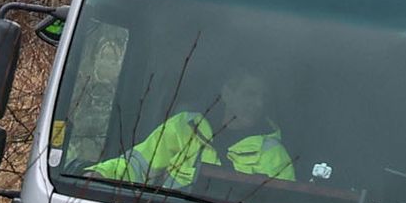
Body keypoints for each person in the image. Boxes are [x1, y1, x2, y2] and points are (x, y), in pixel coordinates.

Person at [106, 71, 292, 190]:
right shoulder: (184, 127)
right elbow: (138, 165)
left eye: (263, 97)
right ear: (227, 93)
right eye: (249, 94)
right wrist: (100, 174)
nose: (258, 104)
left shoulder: (275, 155)